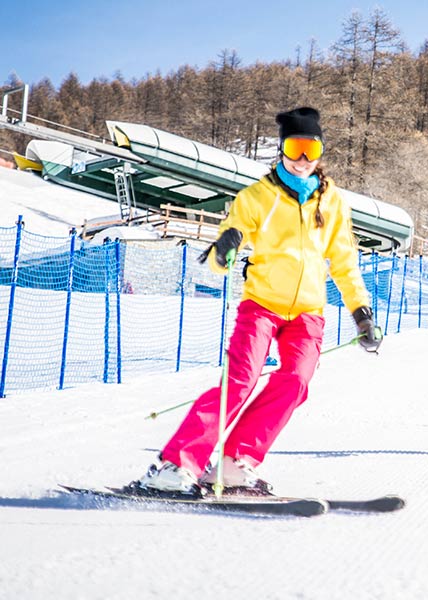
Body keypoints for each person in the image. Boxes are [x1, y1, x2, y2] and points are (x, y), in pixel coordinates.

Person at [138, 107, 381, 494]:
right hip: (262, 306)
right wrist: (226, 245)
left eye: (310, 148)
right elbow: (229, 242)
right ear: (281, 149)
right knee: (240, 381)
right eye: (294, 147)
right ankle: (175, 464)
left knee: (296, 382)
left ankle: (236, 463)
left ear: (320, 151)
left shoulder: (332, 202)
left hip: (308, 312)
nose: (302, 159)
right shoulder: (258, 196)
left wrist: (361, 313)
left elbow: (345, 262)